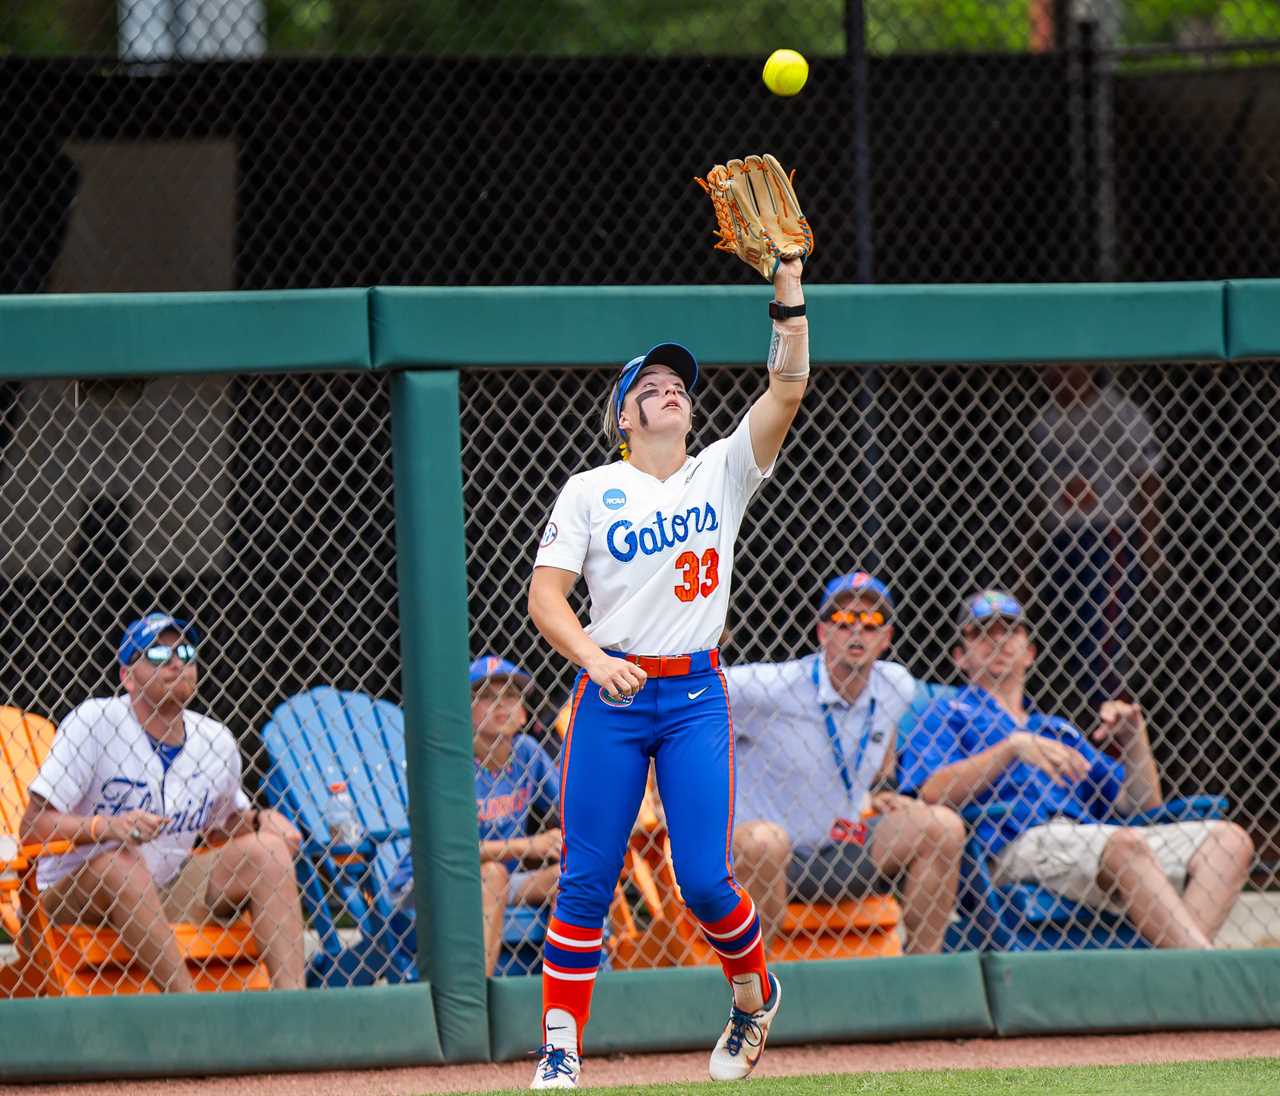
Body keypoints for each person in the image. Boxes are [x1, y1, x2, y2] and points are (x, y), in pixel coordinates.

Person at [526, 165, 811, 1087]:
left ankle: (753, 995)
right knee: (586, 877)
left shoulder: (721, 469)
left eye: (678, 384)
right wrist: (591, 657)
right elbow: (546, 597)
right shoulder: (591, 489)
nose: (671, 391)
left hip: (692, 692)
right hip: (613, 693)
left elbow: (788, 389)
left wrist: (788, 286)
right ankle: (561, 1049)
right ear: (622, 414)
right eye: (650, 385)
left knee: (704, 883)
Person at [899, 590, 1254, 950]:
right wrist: (1010, 749)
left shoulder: (1057, 730)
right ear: (961, 657)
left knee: (1229, 841)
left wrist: (1135, 741)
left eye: (1010, 631)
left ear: (1030, 653)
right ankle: (1201, 972)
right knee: (1125, 846)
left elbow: (1142, 807)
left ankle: (1181, 971)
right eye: (981, 633)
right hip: (1016, 844)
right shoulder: (947, 714)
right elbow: (931, 792)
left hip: (1093, 840)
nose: (997, 641)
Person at [19, 612, 305, 991]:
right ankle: (189, 1011)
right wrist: (106, 828)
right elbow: (32, 829)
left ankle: (293, 1013)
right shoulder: (95, 722)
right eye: (157, 655)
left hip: (164, 892)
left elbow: (223, 825)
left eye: (186, 652)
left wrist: (260, 822)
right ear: (127, 675)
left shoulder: (216, 741)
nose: (176, 662)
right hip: (71, 900)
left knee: (268, 852)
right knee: (121, 861)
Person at [729, 572, 964, 956]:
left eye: (871, 623)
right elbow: (692, 698)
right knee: (764, 842)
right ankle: (755, 991)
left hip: (844, 844)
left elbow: (880, 741)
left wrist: (882, 791)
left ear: (886, 638)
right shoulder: (772, 686)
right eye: (843, 620)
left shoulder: (896, 685)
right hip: (770, 858)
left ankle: (925, 975)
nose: (858, 631)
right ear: (823, 633)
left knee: (943, 827)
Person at [388, 654, 561, 976]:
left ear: (523, 711)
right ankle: (477, 995)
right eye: (485, 697)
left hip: (496, 883)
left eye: (510, 695)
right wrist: (530, 846)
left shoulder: (528, 753)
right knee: (493, 873)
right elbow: (448, 854)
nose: (501, 704)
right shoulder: (451, 764)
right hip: (429, 884)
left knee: (573, 876)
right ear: (464, 711)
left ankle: (568, 977)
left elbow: (568, 809)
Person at [1029, 365, 1165, 711]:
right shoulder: (1042, 423)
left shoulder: (1116, 411)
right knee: (1064, 630)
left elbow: (1147, 478)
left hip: (1108, 533)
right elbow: (1033, 494)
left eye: (1070, 366)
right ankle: (1079, 710)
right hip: (1058, 536)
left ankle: (1108, 716)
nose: (1062, 375)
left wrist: (1150, 541)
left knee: (1102, 635)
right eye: (1053, 368)